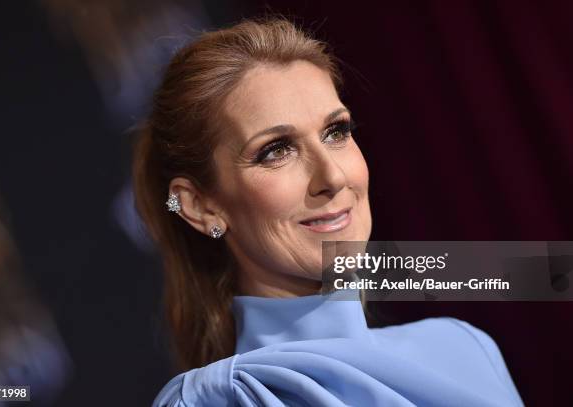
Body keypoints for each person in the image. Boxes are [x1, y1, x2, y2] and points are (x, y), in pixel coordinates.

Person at [133, 17, 523, 406]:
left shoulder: (464, 350)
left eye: (336, 132)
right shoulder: (222, 399)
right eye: (275, 150)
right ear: (200, 207)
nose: (333, 177)